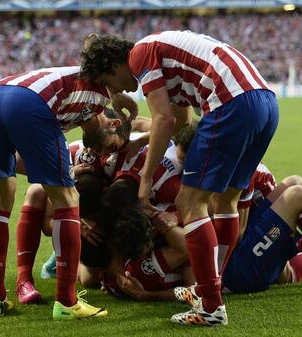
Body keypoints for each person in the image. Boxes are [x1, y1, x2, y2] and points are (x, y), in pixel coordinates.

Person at [81, 30, 278, 326]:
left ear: (114, 66)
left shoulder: (140, 55)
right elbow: (183, 120)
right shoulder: (163, 52)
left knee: (189, 202)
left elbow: (165, 119)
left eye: (109, 83)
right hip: (263, 101)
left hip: (229, 101)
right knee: (227, 202)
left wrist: (145, 178)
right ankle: (213, 289)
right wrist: (143, 140)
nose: (119, 89)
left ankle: (210, 304)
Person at [0, 65, 137, 319]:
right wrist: (125, 98)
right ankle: (66, 302)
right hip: (28, 100)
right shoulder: (94, 101)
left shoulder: (78, 110)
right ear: (114, 123)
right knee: (67, 198)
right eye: (112, 145)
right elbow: (99, 66)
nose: (108, 152)